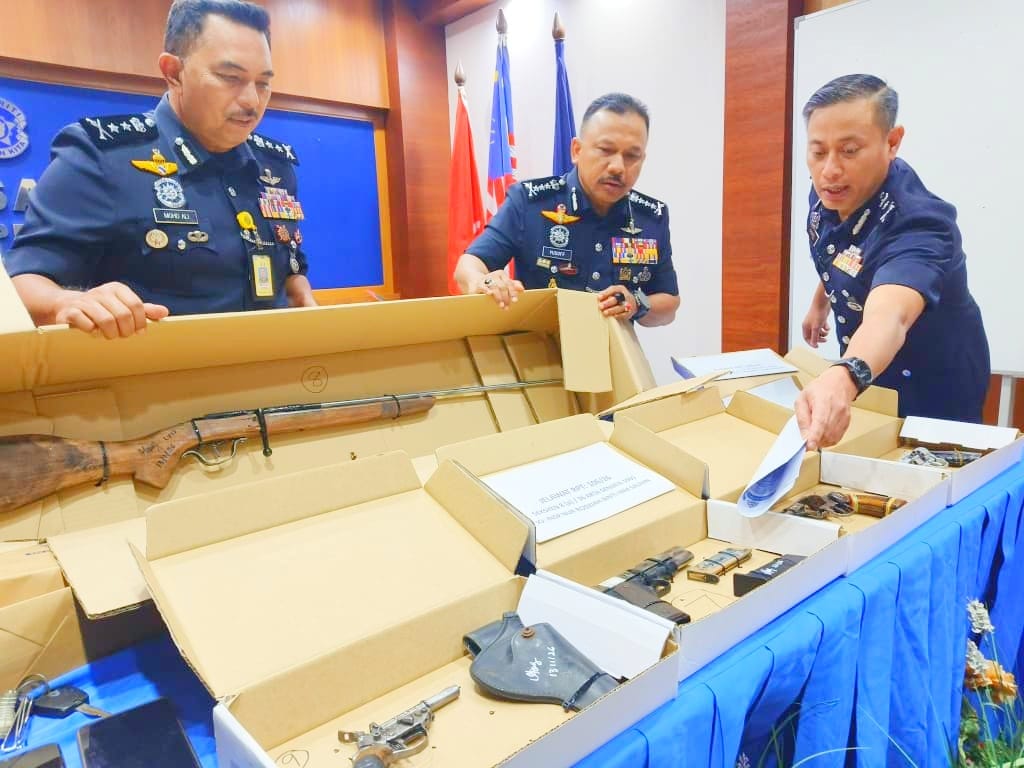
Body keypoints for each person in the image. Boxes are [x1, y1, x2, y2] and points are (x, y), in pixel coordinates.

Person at [4, 0, 316, 339]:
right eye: (231, 78)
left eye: (263, 83)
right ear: (173, 72)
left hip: (274, 364)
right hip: (156, 368)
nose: (252, 101)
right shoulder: (101, 156)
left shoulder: (274, 168)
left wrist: (299, 293)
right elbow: (22, 279)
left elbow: (288, 265)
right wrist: (64, 302)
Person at [795, 74, 989, 449]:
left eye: (849, 150)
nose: (829, 170)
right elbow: (841, 249)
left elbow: (890, 316)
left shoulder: (921, 224)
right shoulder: (832, 190)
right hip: (870, 369)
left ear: (892, 142)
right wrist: (820, 302)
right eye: (818, 152)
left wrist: (843, 376)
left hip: (933, 379)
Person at [454, 93, 679, 326]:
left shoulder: (650, 217)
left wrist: (636, 303)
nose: (618, 167)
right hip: (540, 346)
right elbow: (468, 265)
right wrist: (485, 282)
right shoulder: (530, 203)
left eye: (632, 156)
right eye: (605, 150)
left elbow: (669, 303)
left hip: (612, 347)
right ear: (576, 150)